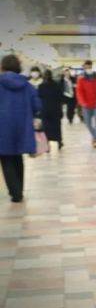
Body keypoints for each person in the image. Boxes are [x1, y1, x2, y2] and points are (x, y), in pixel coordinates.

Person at [0, 54, 42, 203]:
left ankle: (15, 192)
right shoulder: (27, 85)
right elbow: (37, 105)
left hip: (2, 128)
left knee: (6, 158)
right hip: (22, 127)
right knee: (18, 157)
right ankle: (19, 189)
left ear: (2, 67)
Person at [76, 60, 96, 148]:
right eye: (86, 67)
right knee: (88, 124)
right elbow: (79, 92)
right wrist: (82, 102)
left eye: (90, 67)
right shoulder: (81, 79)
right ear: (84, 68)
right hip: (86, 105)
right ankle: (95, 136)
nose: (88, 69)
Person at [38, 70, 64, 150]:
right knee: (57, 127)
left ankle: (47, 144)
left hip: (45, 109)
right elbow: (60, 98)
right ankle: (59, 141)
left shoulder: (41, 86)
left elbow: (39, 98)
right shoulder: (56, 85)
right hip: (55, 109)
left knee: (46, 128)